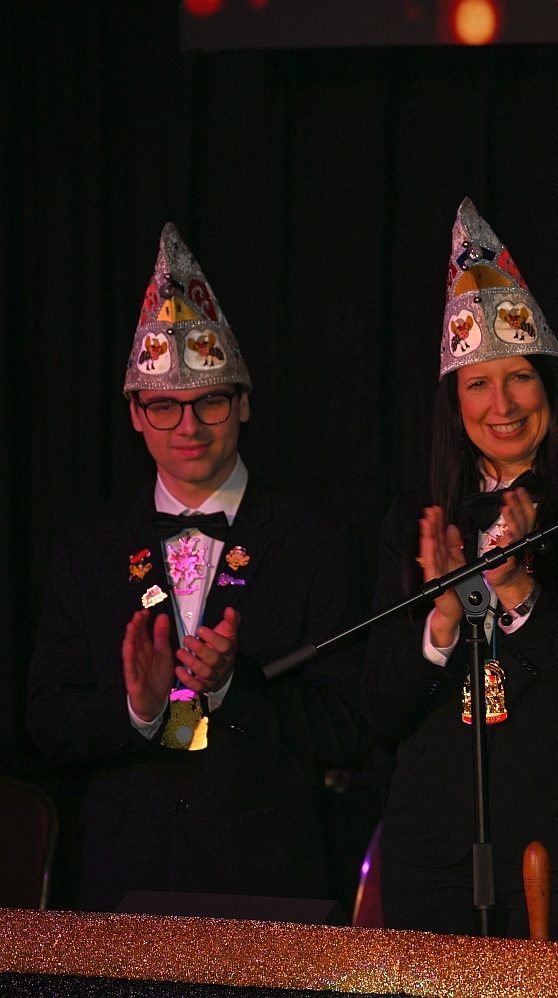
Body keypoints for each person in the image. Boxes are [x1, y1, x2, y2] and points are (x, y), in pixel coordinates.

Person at [27, 224, 368, 912]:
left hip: (272, 885)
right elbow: (47, 723)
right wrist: (138, 711)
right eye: (164, 406)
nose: (189, 426)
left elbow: (352, 724)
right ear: (135, 414)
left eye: (210, 400)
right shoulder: (88, 545)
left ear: (243, 403)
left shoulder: (315, 540)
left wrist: (237, 686)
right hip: (124, 882)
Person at [362, 199, 558, 942]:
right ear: (453, 400)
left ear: (550, 386)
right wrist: (440, 621)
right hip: (434, 865)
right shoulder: (415, 518)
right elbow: (378, 710)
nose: (501, 405)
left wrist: (521, 592)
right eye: (477, 383)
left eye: (520, 378)